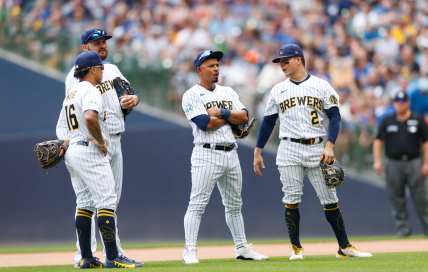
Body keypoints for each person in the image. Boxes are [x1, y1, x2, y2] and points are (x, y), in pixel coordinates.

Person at [253, 43, 372, 260]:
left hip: (317, 146)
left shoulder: (321, 86)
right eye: (280, 61)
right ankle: (296, 248)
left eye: (286, 60)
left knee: (329, 197)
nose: (282, 65)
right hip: (288, 147)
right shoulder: (278, 89)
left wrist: (330, 144)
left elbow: (335, 116)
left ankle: (344, 246)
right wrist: (258, 149)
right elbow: (268, 122)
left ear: (299, 59)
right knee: (291, 198)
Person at [56, 28, 141, 267]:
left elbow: (129, 94)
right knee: (104, 199)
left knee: (95, 201)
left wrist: (133, 100)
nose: (103, 45)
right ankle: (107, 256)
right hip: (94, 142)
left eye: (104, 41)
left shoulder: (111, 70)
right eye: (97, 42)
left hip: (109, 137)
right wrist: (97, 141)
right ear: (85, 49)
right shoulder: (78, 80)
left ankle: (90, 256)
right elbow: (89, 116)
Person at [181, 50, 268, 264]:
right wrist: (231, 118)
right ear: (199, 69)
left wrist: (221, 113)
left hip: (231, 152)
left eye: (217, 64)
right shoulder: (191, 94)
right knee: (197, 204)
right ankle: (190, 250)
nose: (216, 68)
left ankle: (242, 248)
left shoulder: (227, 91)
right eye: (211, 65)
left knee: (234, 204)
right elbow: (205, 124)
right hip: (205, 152)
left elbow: (245, 116)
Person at [373, 90, 428, 237]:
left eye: (403, 102)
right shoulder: (387, 120)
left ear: (408, 103)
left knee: (421, 197)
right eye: (397, 102)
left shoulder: (417, 119)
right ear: (394, 103)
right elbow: (378, 141)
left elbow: (426, 143)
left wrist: (426, 163)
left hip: (414, 162)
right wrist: (377, 161)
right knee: (396, 197)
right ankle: (403, 229)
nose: (400, 105)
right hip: (393, 162)